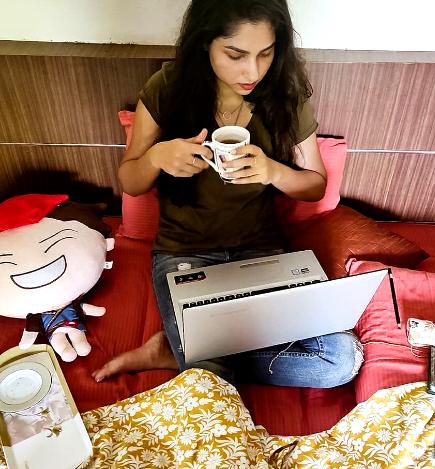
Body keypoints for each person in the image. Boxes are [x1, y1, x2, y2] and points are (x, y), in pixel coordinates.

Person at [92, 0, 364, 387]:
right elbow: (131, 181)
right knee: (212, 379)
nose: (252, 71)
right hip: (185, 254)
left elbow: (315, 184)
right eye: (235, 55)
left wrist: (273, 171)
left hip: (260, 253)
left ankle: (178, 350)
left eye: (266, 53)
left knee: (339, 359)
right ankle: (195, 353)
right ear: (205, 43)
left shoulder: (284, 93)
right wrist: (156, 158)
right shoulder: (168, 88)